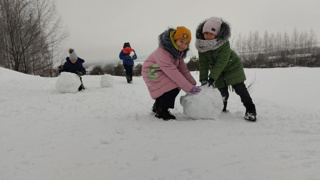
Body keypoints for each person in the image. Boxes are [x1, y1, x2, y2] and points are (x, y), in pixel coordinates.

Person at [195, 17, 257, 122]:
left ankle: (251, 110)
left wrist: (212, 78)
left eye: (211, 33)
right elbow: (203, 64)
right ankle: (222, 110)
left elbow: (221, 62)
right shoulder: (202, 47)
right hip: (218, 71)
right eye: (206, 33)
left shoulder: (223, 44)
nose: (208, 36)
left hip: (232, 67)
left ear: (218, 34)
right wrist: (204, 80)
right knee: (222, 93)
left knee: (240, 89)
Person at [142, 26, 201, 121]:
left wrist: (193, 84)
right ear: (174, 39)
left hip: (160, 71)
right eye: (181, 41)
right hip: (152, 72)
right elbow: (175, 74)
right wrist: (189, 88)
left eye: (186, 43)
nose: (183, 45)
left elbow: (184, 70)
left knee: (173, 85)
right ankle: (162, 111)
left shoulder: (178, 54)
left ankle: (158, 106)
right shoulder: (164, 52)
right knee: (173, 86)